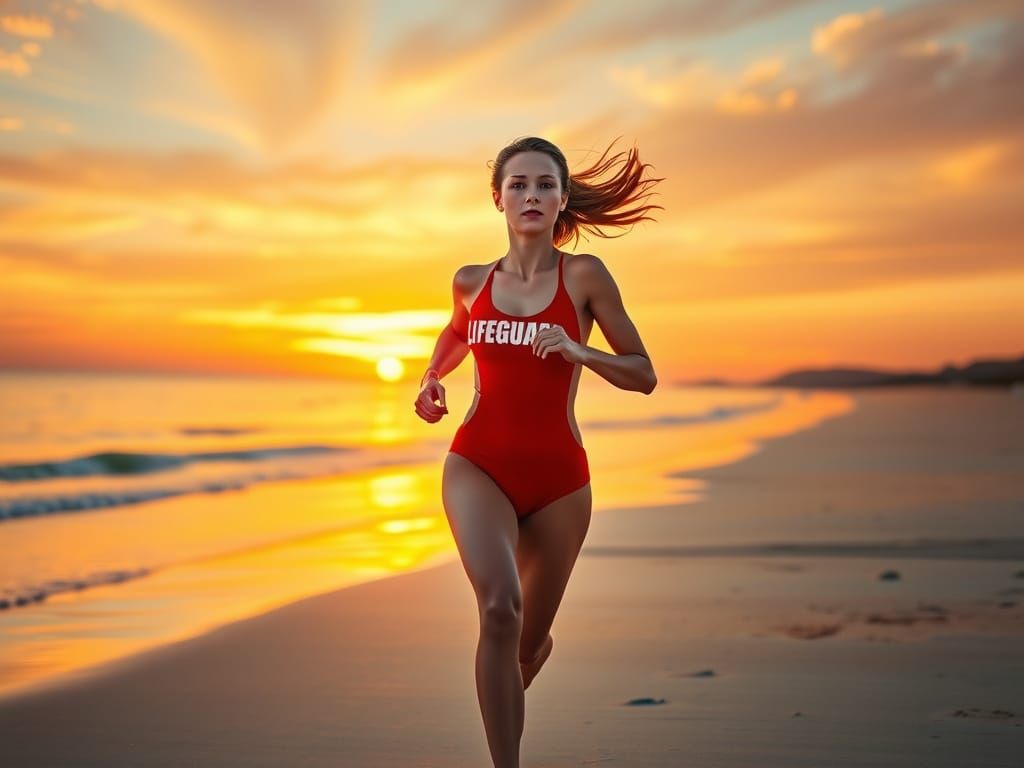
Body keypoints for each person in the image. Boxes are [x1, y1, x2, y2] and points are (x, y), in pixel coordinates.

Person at [413, 136, 661, 768]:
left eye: (545, 185)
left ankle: (524, 664)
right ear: (497, 197)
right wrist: (430, 379)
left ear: (561, 199)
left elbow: (643, 372)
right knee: (499, 609)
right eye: (518, 184)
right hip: (478, 465)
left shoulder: (583, 277)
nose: (531, 195)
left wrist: (581, 351)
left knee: (524, 645)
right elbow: (455, 332)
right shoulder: (471, 281)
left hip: (560, 483)